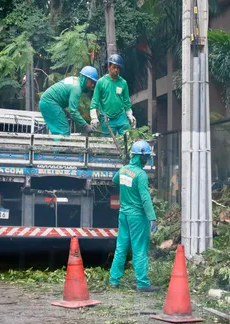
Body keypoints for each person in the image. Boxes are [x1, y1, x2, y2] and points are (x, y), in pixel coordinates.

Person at [109, 140, 159, 292]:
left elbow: (114, 180)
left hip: (123, 215)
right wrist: (152, 217)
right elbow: (145, 198)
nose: (147, 160)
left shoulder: (123, 170)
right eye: (147, 157)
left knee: (121, 247)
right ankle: (142, 283)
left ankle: (114, 280)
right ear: (142, 157)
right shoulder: (141, 175)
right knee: (139, 249)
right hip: (137, 217)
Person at [39, 66, 98, 135]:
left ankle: (57, 144)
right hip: (49, 102)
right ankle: (59, 145)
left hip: (48, 102)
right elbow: (73, 111)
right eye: (92, 82)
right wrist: (85, 125)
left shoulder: (75, 81)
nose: (93, 85)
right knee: (63, 131)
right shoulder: (76, 88)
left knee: (61, 129)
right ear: (86, 79)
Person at [89, 54, 136, 136]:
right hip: (107, 118)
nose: (116, 70)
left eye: (118, 68)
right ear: (109, 67)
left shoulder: (123, 83)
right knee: (108, 143)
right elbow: (95, 101)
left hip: (121, 116)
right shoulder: (101, 82)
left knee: (127, 139)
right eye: (114, 67)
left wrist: (130, 115)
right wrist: (94, 117)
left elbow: (126, 101)